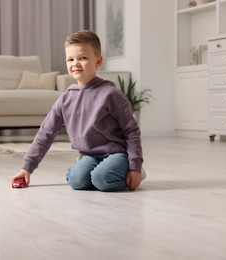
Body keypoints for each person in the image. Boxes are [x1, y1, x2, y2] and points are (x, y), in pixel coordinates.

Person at [11, 30, 145, 191]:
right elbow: (45, 133)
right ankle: (93, 172)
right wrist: (26, 168)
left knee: (102, 179)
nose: (75, 63)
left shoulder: (111, 94)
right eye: (70, 59)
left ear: (98, 61)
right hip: (90, 155)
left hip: (116, 154)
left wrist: (135, 166)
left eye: (83, 58)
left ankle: (126, 171)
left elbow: (131, 131)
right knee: (76, 181)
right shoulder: (66, 98)